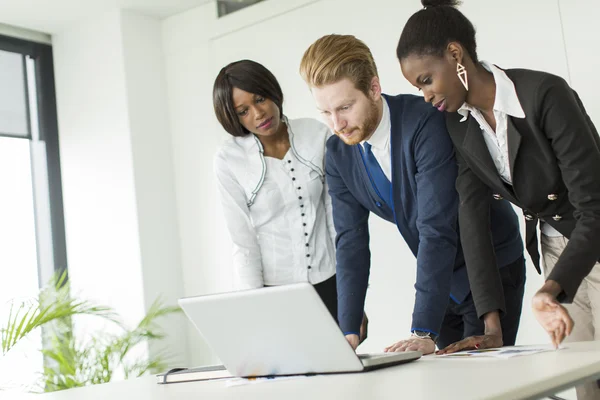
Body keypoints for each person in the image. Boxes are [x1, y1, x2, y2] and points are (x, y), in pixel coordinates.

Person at [398, 2, 600, 397]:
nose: (424, 95)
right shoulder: (459, 124)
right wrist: (491, 327)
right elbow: (472, 221)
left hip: (593, 236)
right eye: (417, 88)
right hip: (555, 247)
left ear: (456, 55)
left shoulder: (544, 94)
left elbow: (595, 207)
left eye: (426, 80)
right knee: (583, 382)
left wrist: (550, 290)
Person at [299, 34, 525, 356]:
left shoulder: (425, 122)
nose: (337, 124)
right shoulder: (338, 152)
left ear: (374, 89)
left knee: (489, 378)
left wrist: (422, 329)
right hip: (439, 279)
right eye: (325, 112)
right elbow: (350, 241)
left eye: (345, 107)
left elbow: (436, 225)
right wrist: (347, 331)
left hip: (489, 265)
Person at [213, 60, 367, 339]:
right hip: (276, 295)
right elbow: (243, 242)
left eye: (260, 99)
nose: (259, 113)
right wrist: (255, 309)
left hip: (331, 285)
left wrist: (352, 300)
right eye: (243, 111)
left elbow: (339, 221)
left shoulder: (316, 134)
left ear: (271, 91)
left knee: (344, 375)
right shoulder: (229, 160)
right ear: (234, 117)